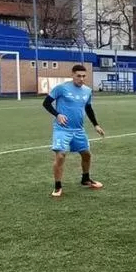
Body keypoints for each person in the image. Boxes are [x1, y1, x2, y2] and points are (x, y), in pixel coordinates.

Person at [42, 64, 106, 198]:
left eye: (84, 76)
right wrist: (57, 114)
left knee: (87, 154)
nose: (81, 79)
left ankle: (85, 179)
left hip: (79, 130)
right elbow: (46, 103)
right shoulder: (61, 88)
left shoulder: (87, 91)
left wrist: (96, 125)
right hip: (62, 129)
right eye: (78, 76)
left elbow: (88, 108)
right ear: (72, 75)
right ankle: (58, 186)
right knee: (60, 156)